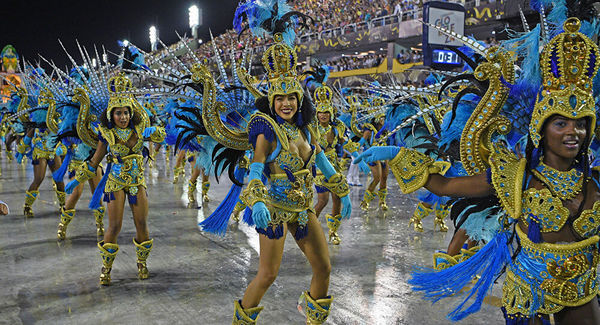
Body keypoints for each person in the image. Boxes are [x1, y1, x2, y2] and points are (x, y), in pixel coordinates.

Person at [356, 17, 600, 324]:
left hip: (583, 289)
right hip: (529, 293)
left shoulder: (595, 180)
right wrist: (396, 152)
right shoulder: (516, 175)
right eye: (561, 122)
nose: (572, 132)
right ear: (541, 127)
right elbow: (445, 186)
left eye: (580, 123)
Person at [66, 74, 166, 286]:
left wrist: (155, 132)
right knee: (115, 226)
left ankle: (142, 263)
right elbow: (95, 162)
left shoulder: (140, 129)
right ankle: (106, 267)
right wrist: (78, 179)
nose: (123, 117)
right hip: (116, 182)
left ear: (131, 112)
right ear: (111, 115)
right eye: (119, 113)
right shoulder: (107, 135)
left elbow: (161, 135)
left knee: (141, 223)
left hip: (137, 181)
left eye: (126, 112)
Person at [313, 84, 347, 245]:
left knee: (337, 198)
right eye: (321, 112)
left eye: (326, 112)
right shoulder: (312, 129)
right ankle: (309, 229)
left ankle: (333, 232)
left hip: (335, 165)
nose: (323, 115)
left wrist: (358, 155)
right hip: (320, 166)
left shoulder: (338, 127)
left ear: (331, 113)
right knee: (322, 200)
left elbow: (346, 144)